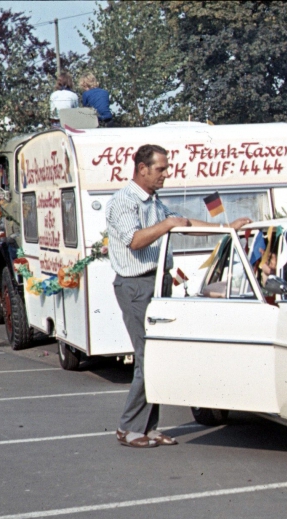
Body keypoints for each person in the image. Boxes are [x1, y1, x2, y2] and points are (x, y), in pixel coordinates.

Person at [106, 143, 251, 448]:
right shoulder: (124, 201)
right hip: (136, 285)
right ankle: (128, 427)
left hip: (158, 285)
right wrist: (167, 224)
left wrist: (225, 228)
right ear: (142, 168)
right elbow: (135, 240)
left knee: (159, 358)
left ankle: (149, 427)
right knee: (148, 359)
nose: (166, 174)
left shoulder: (155, 202)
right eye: (160, 169)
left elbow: (184, 224)